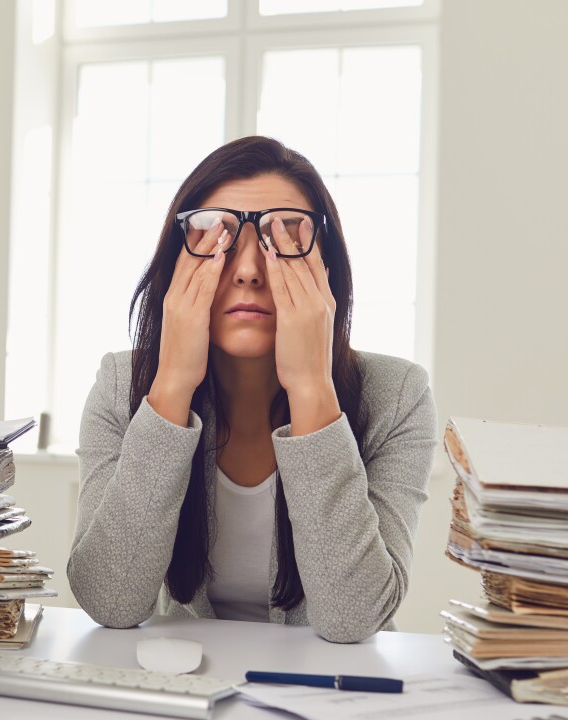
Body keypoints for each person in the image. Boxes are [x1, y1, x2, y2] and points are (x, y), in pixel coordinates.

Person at [66, 135, 437, 643]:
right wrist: (172, 384)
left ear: (327, 268)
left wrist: (311, 387)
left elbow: (353, 620)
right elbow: (110, 600)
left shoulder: (398, 396)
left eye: (283, 239)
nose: (246, 271)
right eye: (215, 237)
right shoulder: (119, 386)